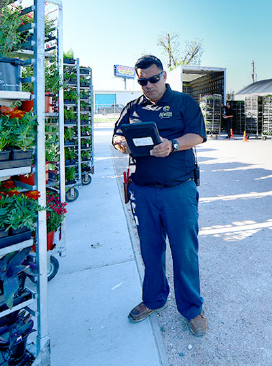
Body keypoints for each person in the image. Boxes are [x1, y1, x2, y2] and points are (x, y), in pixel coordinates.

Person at [112, 55, 208, 336]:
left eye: (153, 79)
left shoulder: (184, 103)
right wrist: (123, 145)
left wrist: (173, 144)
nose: (148, 85)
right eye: (142, 80)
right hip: (143, 191)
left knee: (185, 251)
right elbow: (117, 135)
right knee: (150, 251)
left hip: (179, 190)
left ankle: (192, 308)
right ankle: (154, 299)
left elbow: (198, 135)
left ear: (164, 75)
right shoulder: (133, 107)